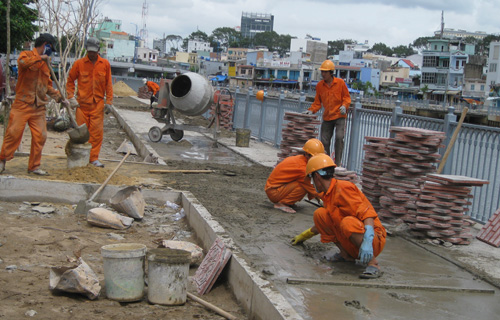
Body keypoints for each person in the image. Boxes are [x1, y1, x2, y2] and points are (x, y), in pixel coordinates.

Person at [291, 153, 386, 279]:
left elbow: (367, 215)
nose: (312, 183)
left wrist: (368, 241)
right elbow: (329, 220)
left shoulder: (343, 188)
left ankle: (373, 263)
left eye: (312, 179)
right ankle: (346, 255)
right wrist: (305, 235)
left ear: (317, 176)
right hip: (357, 237)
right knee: (320, 214)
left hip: (373, 240)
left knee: (348, 223)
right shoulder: (328, 194)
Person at [0, 33, 69, 175]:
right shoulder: (26, 55)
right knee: (13, 133)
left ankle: (34, 166)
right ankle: (2, 160)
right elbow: (23, 64)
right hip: (22, 103)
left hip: (38, 107)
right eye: (50, 48)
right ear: (45, 45)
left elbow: (47, 86)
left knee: (41, 136)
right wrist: (40, 58)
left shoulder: (45, 65)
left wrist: (59, 97)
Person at [66, 37, 113, 168]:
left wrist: (109, 101)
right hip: (81, 105)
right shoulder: (79, 64)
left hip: (97, 105)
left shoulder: (105, 64)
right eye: (89, 51)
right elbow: (70, 81)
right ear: (86, 50)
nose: (91, 54)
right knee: (81, 134)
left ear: (98, 50)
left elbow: (108, 84)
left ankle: (93, 159)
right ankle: (79, 158)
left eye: (94, 51)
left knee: (96, 134)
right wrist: (71, 97)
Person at [303, 60, 351, 166]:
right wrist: (311, 110)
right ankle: (327, 163)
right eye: (322, 72)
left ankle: (337, 164)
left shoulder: (340, 83)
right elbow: (317, 102)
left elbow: (347, 98)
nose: (323, 74)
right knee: (324, 142)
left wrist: (344, 106)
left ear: (331, 72)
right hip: (327, 117)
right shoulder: (320, 86)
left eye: (325, 72)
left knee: (339, 138)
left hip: (339, 116)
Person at [265, 138, 325, 213]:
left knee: (304, 183)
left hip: (275, 188)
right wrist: (327, 199)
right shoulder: (302, 168)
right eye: (314, 157)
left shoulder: (301, 160)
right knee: (302, 186)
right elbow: (312, 187)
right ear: (306, 154)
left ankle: (286, 201)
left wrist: (320, 199)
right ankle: (281, 203)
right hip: (274, 191)